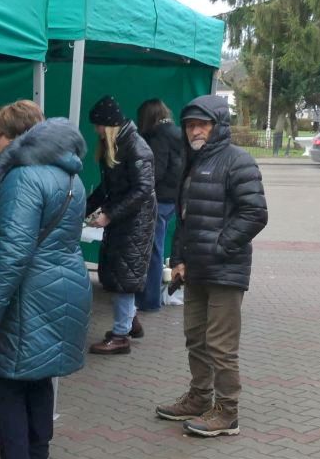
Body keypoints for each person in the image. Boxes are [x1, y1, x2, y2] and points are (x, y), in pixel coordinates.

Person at [0, 100, 91, 459]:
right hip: (61, 285)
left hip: (28, 293)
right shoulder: (71, 175)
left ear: (19, 137)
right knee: (38, 380)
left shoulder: (23, 178)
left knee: (5, 382)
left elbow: (13, 253)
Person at [156, 94, 268, 436]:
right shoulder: (191, 162)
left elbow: (255, 214)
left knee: (221, 345)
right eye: (190, 125)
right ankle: (199, 398)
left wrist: (217, 248)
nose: (195, 131)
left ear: (218, 126)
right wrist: (178, 259)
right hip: (196, 270)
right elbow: (185, 219)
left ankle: (227, 412)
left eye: (202, 124)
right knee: (195, 338)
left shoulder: (238, 161)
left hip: (225, 270)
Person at [85, 95, 156, 355]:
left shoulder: (136, 147)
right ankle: (129, 322)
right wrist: (84, 209)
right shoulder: (120, 144)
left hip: (134, 222)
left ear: (109, 125)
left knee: (124, 276)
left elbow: (143, 189)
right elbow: (107, 188)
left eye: (98, 126)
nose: (96, 131)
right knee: (118, 272)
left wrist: (109, 215)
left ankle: (121, 334)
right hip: (125, 219)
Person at [136, 99, 184, 312]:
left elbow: (157, 170)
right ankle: (152, 297)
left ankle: (149, 300)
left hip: (159, 198)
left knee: (152, 249)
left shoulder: (158, 136)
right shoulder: (178, 133)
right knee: (158, 247)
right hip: (173, 198)